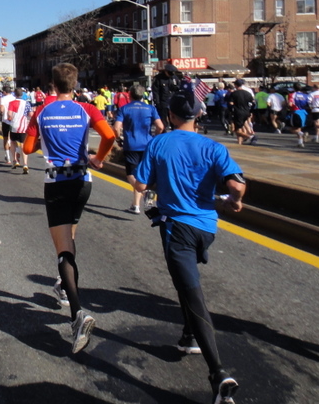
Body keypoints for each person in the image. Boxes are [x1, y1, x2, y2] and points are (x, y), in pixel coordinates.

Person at [133, 90, 245, 404]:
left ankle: (218, 373)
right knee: (185, 281)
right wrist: (234, 201)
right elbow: (236, 184)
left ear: (171, 116)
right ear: (197, 115)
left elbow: (141, 184)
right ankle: (188, 335)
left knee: (193, 293)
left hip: (176, 228)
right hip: (206, 228)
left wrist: (156, 182)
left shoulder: (159, 143)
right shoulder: (213, 146)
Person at [23, 63, 115, 354]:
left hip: (57, 182)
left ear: (52, 84)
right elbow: (110, 136)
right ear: (75, 85)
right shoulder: (86, 109)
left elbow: (26, 149)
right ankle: (65, 286)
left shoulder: (42, 111)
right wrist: (97, 158)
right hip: (82, 182)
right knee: (70, 238)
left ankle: (77, 314)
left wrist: (42, 142)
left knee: (63, 251)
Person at [113, 85, 164, 213]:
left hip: (131, 145)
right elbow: (160, 127)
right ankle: (135, 205)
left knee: (131, 174)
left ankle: (145, 192)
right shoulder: (150, 108)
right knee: (145, 174)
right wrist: (155, 139)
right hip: (147, 144)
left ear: (130, 95)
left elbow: (116, 128)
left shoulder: (125, 108)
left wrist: (119, 139)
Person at [6, 88, 30, 173]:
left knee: (13, 142)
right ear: (22, 94)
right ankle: (25, 164)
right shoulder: (27, 103)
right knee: (23, 145)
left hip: (14, 126)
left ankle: (15, 160)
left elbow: (9, 114)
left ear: (14, 94)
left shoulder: (12, 103)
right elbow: (30, 114)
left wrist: (10, 118)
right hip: (23, 126)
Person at [151, 64, 181, 130]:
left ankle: (174, 134)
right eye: (169, 73)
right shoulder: (158, 79)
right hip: (163, 102)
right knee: (163, 121)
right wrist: (157, 103)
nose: (171, 75)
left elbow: (178, 89)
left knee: (174, 120)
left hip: (173, 102)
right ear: (166, 71)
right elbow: (155, 92)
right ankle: (164, 134)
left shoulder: (174, 78)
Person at [227, 79, 255, 145]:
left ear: (236, 85)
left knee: (237, 130)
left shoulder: (234, 94)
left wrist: (231, 110)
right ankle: (239, 143)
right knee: (241, 127)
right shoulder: (247, 93)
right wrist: (251, 111)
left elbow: (230, 103)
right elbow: (253, 103)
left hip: (238, 112)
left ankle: (251, 137)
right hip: (246, 112)